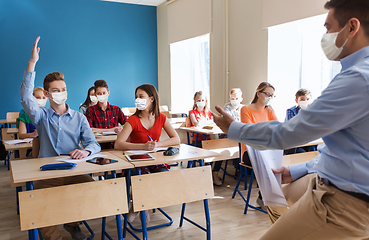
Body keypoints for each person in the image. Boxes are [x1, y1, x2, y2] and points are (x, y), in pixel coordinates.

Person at [212, 0, 369, 238]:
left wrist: (233, 128)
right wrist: (299, 170)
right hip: (332, 179)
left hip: (344, 200)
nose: (326, 36)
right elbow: (349, 149)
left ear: (352, 27)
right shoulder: (355, 74)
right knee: (280, 197)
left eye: (328, 28)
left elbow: (287, 133)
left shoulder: (358, 78)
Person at [20, 36, 101, 240]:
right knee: (37, 202)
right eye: (56, 91)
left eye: (63, 90)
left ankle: (72, 223)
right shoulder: (41, 116)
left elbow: (94, 143)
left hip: (74, 169)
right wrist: (32, 63)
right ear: (47, 94)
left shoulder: (79, 117)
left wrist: (86, 151)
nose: (61, 93)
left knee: (94, 189)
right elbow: (25, 96)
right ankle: (55, 237)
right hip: (47, 173)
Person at [114, 84, 180, 223]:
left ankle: (137, 208)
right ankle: (142, 207)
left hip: (154, 160)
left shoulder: (161, 117)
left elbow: (176, 139)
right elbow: (118, 144)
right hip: (136, 163)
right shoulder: (132, 120)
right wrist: (142, 146)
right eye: (136, 97)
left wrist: (158, 144)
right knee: (144, 180)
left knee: (163, 178)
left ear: (151, 99)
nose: (137, 99)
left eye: (141, 96)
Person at [240, 82, 278, 210]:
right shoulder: (246, 109)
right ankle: (264, 198)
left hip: (267, 150)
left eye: (272, 95)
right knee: (268, 163)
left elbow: (278, 129)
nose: (269, 97)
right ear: (258, 94)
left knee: (283, 161)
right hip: (249, 152)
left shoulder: (269, 110)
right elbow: (250, 133)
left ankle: (272, 197)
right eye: (267, 94)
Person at [188, 91, 223, 186]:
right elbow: (196, 123)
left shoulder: (208, 112)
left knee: (221, 150)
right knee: (208, 152)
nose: (201, 102)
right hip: (198, 141)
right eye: (198, 100)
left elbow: (216, 121)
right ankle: (206, 174)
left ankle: (215, 172)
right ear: (195, 101)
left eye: (203, 100)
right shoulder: (192, 112)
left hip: (208, 139)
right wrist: (207, 122)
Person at [85, 79, 127, 148]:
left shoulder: (116, 109)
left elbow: (127, 123)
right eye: (99, 93)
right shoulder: (90, 110)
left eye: (104, 93)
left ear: (108, 93)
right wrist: (111, 130)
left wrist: (121, 129)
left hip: (114, 145)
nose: (102, 95)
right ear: (95, 95)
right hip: (97, 145)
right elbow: (88, 129)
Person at [284, 88, 316, 154]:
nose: (305, 101)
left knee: (314, 150)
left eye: (307, 99)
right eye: (302, 99)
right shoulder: (291, 111)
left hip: (307, 141)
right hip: (293, 143)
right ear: (296, 100)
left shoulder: (312, 111)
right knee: (304, 154)